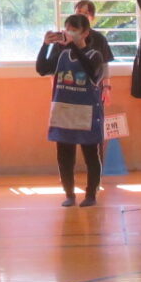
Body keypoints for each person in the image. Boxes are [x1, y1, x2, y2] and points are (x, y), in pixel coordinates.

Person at [38, 13, 108, 207]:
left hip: (86, 113)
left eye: (74, 30)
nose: (69, 33)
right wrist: (45, 45)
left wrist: (73, 46)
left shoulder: (95, 55)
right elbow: (41, 68)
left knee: (91, 155)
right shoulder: (62, 54)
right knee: (64, 157)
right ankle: (69, 194)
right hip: (64, 111)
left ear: (85, 33)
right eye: (67, 29)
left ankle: (91, 194)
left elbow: (92, 72)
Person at [73, 0, 117, 73]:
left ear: (92, 18)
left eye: (86, 13)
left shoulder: (99, 38)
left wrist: (105, 82)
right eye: (79, 12)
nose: (81, 16)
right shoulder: (65, 37)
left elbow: (104, 67)